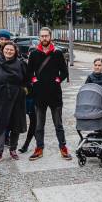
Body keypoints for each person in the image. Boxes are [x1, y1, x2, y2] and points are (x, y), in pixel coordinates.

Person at [27, 27, 71, 161]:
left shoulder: (57, 53)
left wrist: (57, 81)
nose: (44, 38)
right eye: (42, 36)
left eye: (46, 36)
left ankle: (63, 147)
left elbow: (64, 72)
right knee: (39, 125)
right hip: (39, 95)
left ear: (50, 37)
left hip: (55, 95)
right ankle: (39, 148)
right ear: (39, 38)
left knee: (58, 124)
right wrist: (35, 82)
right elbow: (29, 73)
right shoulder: (34, 54)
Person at [0, 41, 28, 162]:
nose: (9, 51)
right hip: (0, 98)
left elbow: (27, 80)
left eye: (11, 49)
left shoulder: (20, 64)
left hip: (17, 98)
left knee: (16, 124)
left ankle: (13, 149)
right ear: (2, 50)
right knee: (0, 125)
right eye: (7, 49)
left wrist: (24, 91)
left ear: (15, 51)